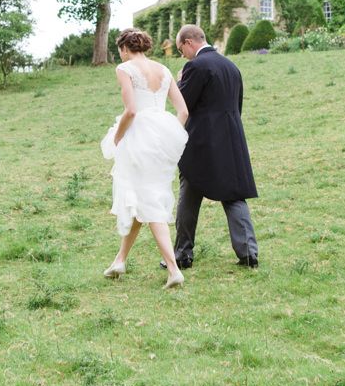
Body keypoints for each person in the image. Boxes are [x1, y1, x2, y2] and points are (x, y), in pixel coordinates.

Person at [100, 29, 189, 289]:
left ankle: (173, 269)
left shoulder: (125, 68)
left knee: (147, 200)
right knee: (142, 196)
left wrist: (117, 137)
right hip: (162, 138)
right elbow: (182, 111)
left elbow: (131, 110)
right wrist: (168, 134)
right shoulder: (163, 69)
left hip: (138, 137)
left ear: (124, 48)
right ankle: (120, 260)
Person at [169, 24, 259, 270]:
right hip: (231, 140)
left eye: (180, 50)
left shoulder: (196, 66)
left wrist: (178, 82)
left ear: (189, 42)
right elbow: (236, 106)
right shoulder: (231, 66)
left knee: (189, 196)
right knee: (233, 195)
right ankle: (249, 253)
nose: (182, 56)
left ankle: (182, 254)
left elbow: (184, 105)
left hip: (201, 143)